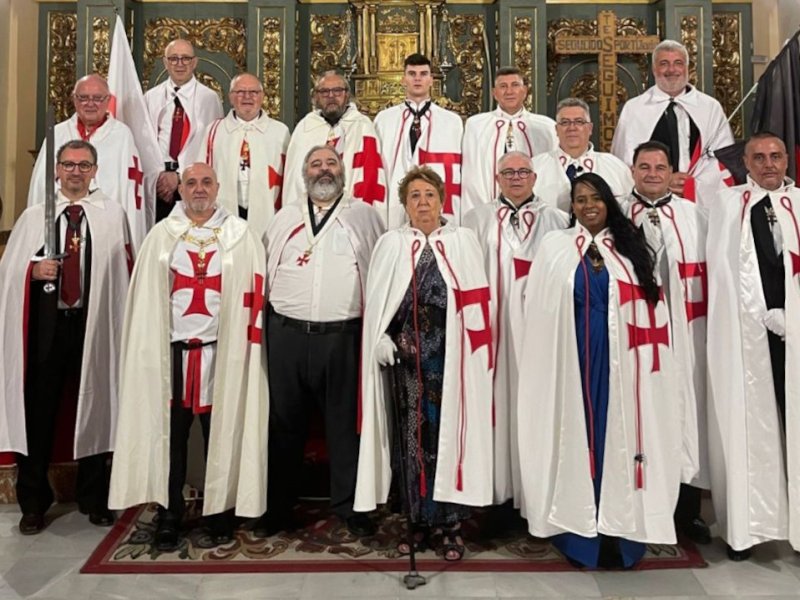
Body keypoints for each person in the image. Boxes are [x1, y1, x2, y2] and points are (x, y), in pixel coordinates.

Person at [517, 172, 689, 568]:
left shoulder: (632, 249)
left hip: (621, 367)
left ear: (608, 201)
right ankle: (579, 534)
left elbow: (652, 313)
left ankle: (621, 533)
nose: (588, 205)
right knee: (578, 440)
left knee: (619, 441)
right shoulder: (555, 247)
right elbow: (540, 310)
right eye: (580, 199)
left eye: (595, 198)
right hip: (571, 362)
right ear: (571, 206)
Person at [108, 162, 268, 551]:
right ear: (180, 190)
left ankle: (218, 512)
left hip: (223, 354)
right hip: (172, 356)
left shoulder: (239, 235)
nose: (199, 190)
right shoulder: (161, 237)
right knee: (171, 439)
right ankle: (169, 514)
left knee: (220, 435)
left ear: (219, 187)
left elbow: (255, 295)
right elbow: (144, 301)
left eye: (207, 182)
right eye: (191, 183)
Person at [355, 166, 494, 561]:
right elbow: (381, 303)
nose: (422, 203)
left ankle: (450, 524)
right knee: (413, 442)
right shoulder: (391, 244)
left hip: (452, 360)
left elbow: (477, 303)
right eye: (414, 196)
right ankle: (416, 521)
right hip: (407, 362)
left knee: (449, 440)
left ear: (442, 199)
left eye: (429, 194)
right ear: (404, 204)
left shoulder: (463, 241)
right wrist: (381, 336)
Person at [0, 140, 130, 534]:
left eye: (84, 165)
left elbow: (122, 270)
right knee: (39, 411)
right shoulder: (35, 216)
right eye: (68, 165)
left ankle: (94, 497)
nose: (75, 172)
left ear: (95, 170)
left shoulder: (111, 214)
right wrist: (32, 272)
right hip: (47, 327)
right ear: (56, 170)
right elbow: (8, 276)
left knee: (98, 405)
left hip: (94, 322)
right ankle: (34, 503)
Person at [261, 145, 384, 538]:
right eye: (316, 164)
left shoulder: (364, 216)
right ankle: (278, 505)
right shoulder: (284, 218)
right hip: (287, 336)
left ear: (342, 171)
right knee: (284, 424)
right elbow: (264, 268)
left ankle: (349, 507)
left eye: (331, 163)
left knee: (345, 426)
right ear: (304, 174)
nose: (324, 170)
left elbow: (379, 272)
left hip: (343, 336)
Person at [706, 132, 800, 561]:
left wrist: (790, 315)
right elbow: (722, 270)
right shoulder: (728, 206)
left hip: (795, 332)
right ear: (744, 162)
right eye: (758, 157)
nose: (768, 164)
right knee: (749, 425)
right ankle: (747, 527)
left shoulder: (799, 204)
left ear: (787, 160)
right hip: (746, 335)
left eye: (775, 156)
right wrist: (756, 312)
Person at [463, 151, 567, 506]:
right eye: (508, 172)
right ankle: (500, 497)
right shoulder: (476, 220)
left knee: (538, 408)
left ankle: (538, 495)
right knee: (496, 412)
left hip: (539, 333)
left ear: (535, 178)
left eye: (523, 171)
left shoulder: (558, 221)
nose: (516, 177)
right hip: (492, 332)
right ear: (497, 178)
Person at [624, 141, 708, 544]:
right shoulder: (618, 216)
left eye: (660, 166)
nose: (653, 173)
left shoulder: (694, 217)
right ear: (632, 170)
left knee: (683, 415)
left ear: (672, 171)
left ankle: (686, 511)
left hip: (685, 335)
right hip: (635, 336)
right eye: (645, 166)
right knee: (639, 416)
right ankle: (633, 506)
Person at [27, 74, 147, 250]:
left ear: (108, 100)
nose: (90, 104)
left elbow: (131, 191)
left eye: (98, 98)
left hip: (105, 230)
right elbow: (40, 187)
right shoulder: (57, 134)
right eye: (83, 97)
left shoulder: (122, 136)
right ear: (74, 99)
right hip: (60, 228)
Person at [611, 40, 734, 206]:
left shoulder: (710, 107)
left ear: (687, 69)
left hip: (700, 200)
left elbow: (722, 158)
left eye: (678, 63)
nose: (671, 70)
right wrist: (663, 180)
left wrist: (691, 185)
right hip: (650, 200)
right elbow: (622, 163)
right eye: (664, 64)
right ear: (654, 69)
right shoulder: (634, 109)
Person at [283, 71, 387, 222]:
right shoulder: (304, 128)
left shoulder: (362, 126)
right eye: (324, 91)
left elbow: (370, 176)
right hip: (308, 216)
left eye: (337, 91)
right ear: (316, 97)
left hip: (350, 215)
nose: (331, 96)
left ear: (347, 94)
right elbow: (294, 180)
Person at [374, 54, 464, 228]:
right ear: (403, 79)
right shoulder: (384, 120)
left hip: (435, 203)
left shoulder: (451, 121)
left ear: (431, 80)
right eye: (412, 73)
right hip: (394, 203)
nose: (417, 78)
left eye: (423, 74)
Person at [198, 72, 290, 238]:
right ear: (231, 97)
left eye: (253, 92)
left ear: (262, 96)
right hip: (224, 209)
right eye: (240, 92)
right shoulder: (214, 131)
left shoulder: (279, 132)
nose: (247, 97)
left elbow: (289, 178)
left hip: (267, 210)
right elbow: (202, 173)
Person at [145, 39, 224, 222]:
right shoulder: (151, 97)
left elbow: (211, 145)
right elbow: (145, 142)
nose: (179, 64)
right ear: (165, 62)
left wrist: (180, 176)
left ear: (194, 62)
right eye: (173, 59)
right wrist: (159, 175)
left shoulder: (209, 98)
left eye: (185, 59)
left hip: (193, 183)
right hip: (157, 183)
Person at [461, 67, 557, 212]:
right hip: (488, 207)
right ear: (494, 93)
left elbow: (552, 174)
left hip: (536, 211)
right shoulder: (476, 125)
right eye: (503, 86)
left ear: (524, 91)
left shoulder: (546, 126)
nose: (509, 91)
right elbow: (471, 174)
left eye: (515, 85)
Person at [532, 98, 633, 213]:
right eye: (565, 122)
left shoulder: (616, 167)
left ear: (590, 128)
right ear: (556, 129)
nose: (572, 128)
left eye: (579, 122)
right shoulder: (535, 167)